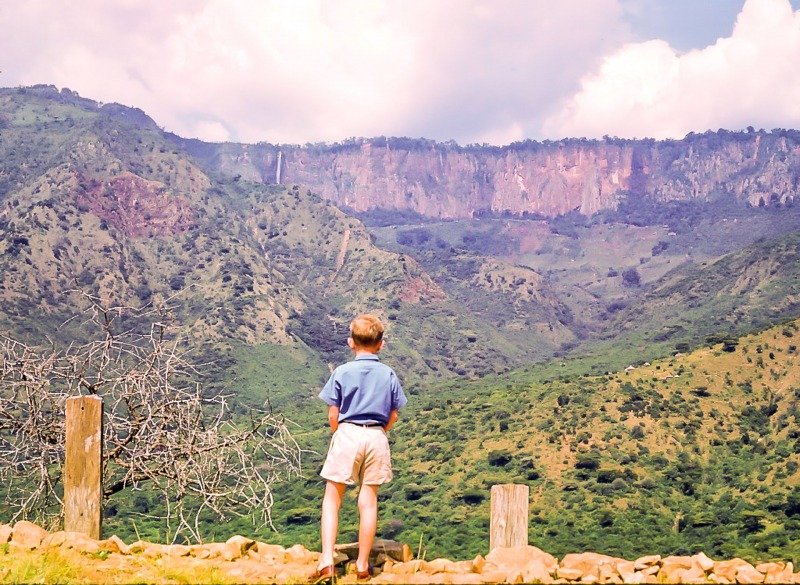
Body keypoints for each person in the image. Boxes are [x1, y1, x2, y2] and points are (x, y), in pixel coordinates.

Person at [312, 314, 408, 582]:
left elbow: (333, 413)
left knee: (333, 498)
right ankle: (363, 565)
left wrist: (340, 434)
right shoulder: (388, 373)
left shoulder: (342, 371)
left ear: (350, 342)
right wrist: (380, 432)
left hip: (348, 433)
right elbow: (394, 414)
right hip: (376, 435)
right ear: (381, 344)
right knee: (368, 501)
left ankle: (327, 561)